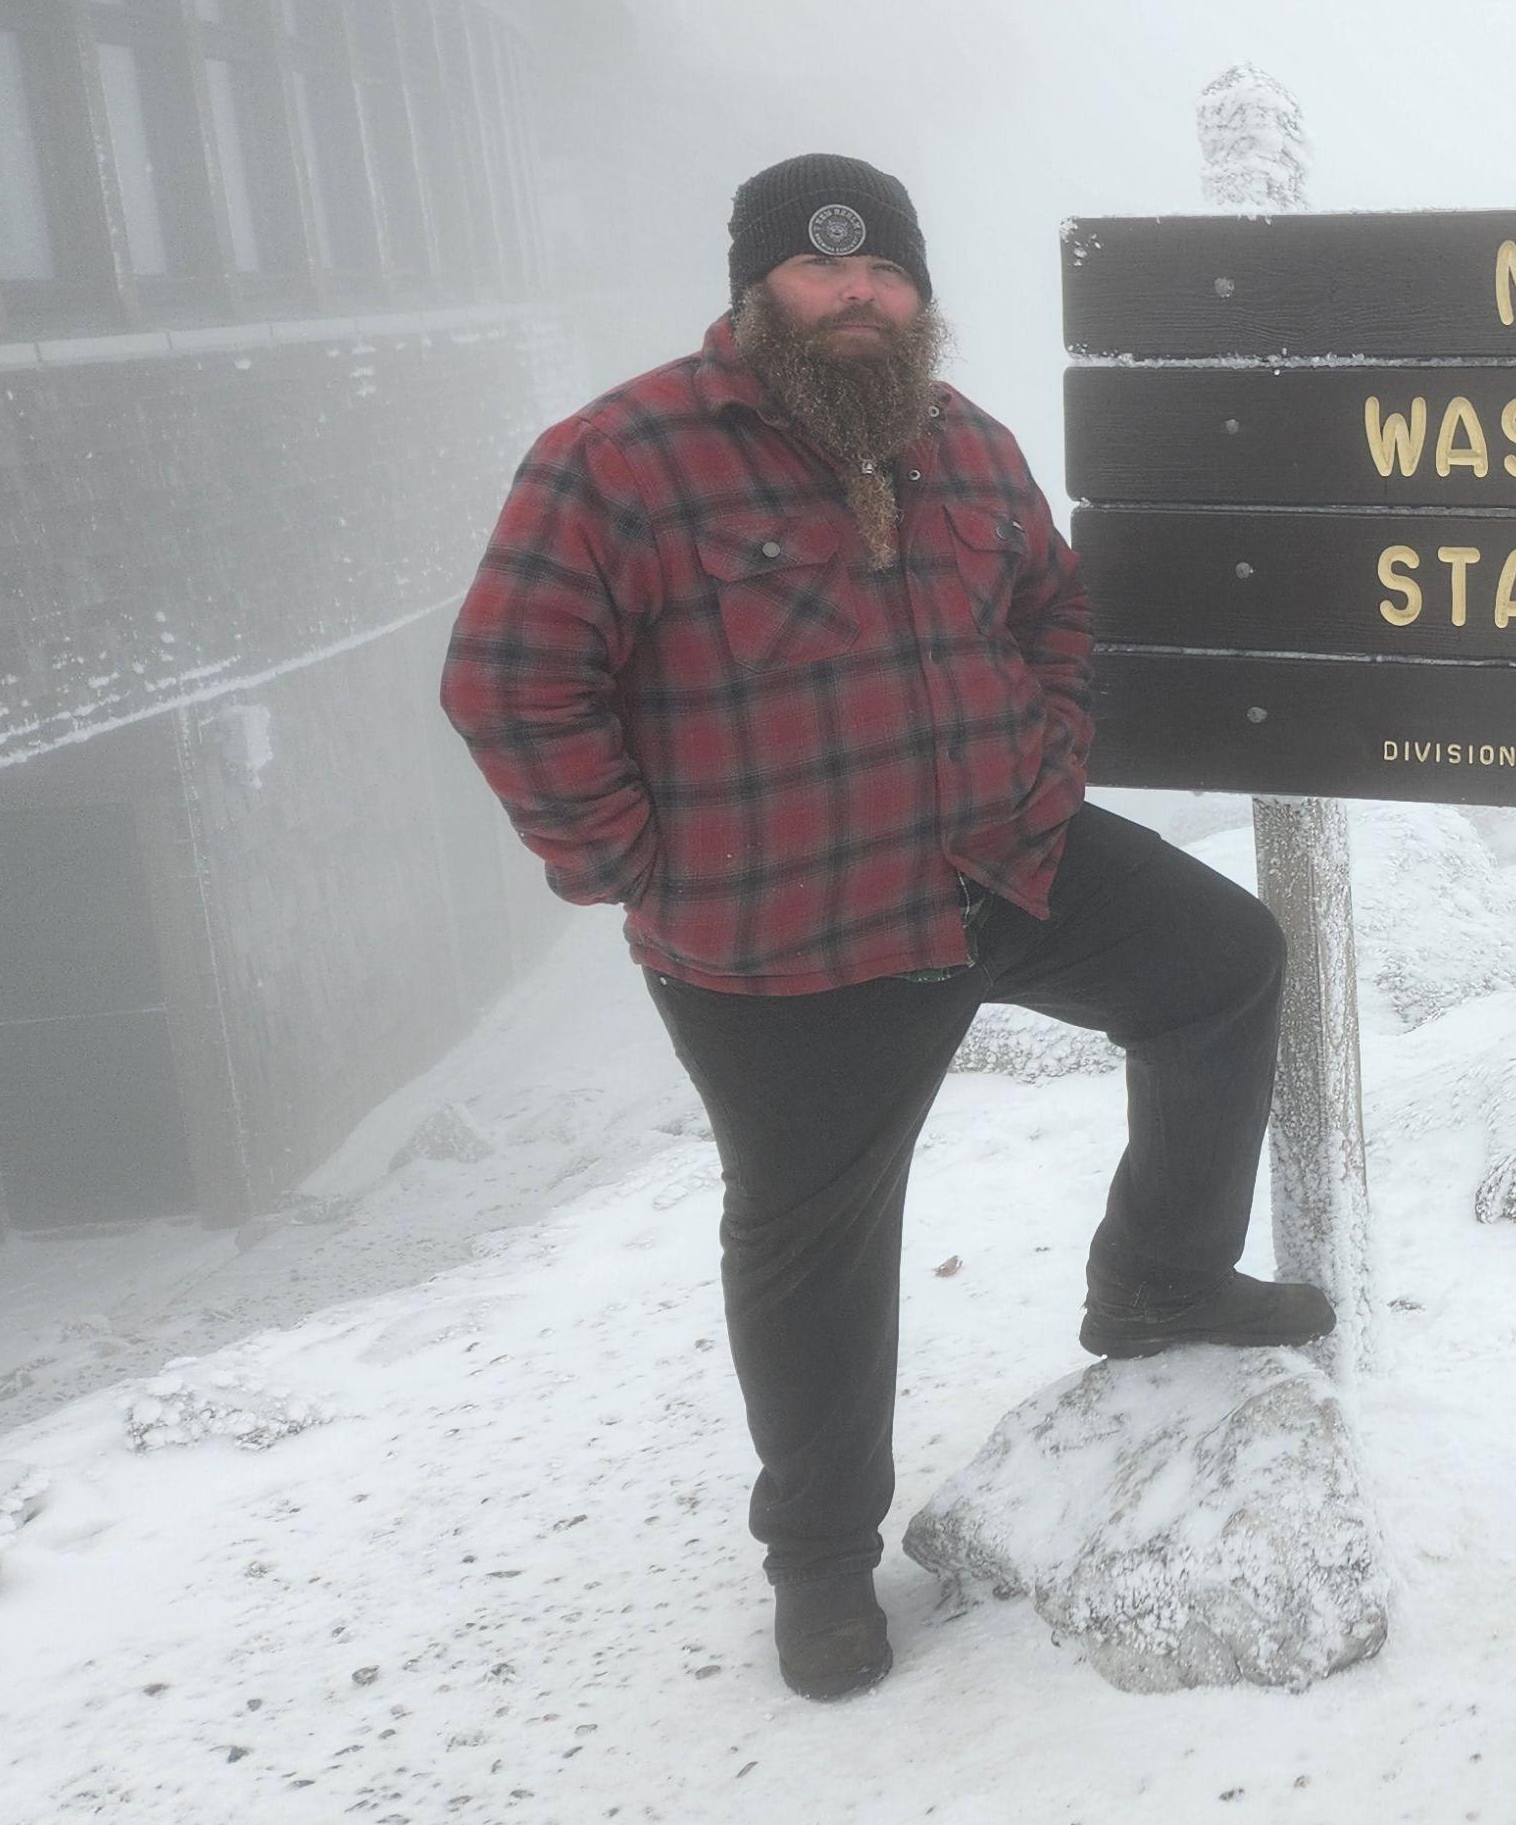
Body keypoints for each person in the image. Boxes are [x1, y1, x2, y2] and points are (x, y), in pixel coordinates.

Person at [441, 152, 1327, 1705]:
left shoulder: (964, 443)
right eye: (821, 268)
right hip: (784, 939)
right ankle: (821, 1561)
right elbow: (510, 682)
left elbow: (1051, 610)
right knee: (815, 1247)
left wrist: (1046, 758)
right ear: (756, 291)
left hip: (1004, 863)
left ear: (918, 293)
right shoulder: (621, 459)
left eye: (886, 273)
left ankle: (1161, 1279)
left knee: (1221, 966)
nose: (858, 294)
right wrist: (634, 863)